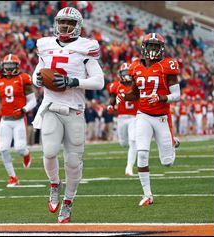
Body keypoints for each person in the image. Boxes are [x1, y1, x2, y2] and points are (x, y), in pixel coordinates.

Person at [32, 7, 104, 223]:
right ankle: (55, 184)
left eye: (69, 23)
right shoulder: (45, 45)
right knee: (50, 152)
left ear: (78, 26)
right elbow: (38, 70)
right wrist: (36, 78)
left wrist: (75, 81)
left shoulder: (86, 48)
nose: (64, 26)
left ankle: (69, 201)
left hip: (75, 109)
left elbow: (99, 81)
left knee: (73, 162)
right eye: (62, 22)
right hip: (51, 106)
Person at [116, 33, 181, 206]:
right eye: (150, 46)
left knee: (167, 162)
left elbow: (177, 95)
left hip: (161, 117)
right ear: (144, 47)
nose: (153, 49)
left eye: (156, 46)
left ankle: (173, 143)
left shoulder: (168, 65)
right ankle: (147, 195)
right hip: (143, 115)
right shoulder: (136, 66)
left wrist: (161, 98)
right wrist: (123, 96)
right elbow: (135, 93)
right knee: (142, 153)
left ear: (162, 48)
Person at [0, 54, 37, 187]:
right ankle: (13, 177)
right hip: (5, 120)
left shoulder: (23, 79)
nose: (9, 68)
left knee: (19, 149)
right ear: (3, 66)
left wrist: (23, 110)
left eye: (12, 66)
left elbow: (33, 101)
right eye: (7, 66)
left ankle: (27, 154)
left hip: (18, 119)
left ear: (17, 66)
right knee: (4, 149)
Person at [107, 62, 138, 176]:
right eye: (125, 73)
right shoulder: (115, 86)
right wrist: (110, 106)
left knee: (133, 141)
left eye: (128, 72)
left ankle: (129, 168)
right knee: (123, 143)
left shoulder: (137, 85)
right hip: (121, 118)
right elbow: (112, 99)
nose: (127, 75)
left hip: (134, 118)